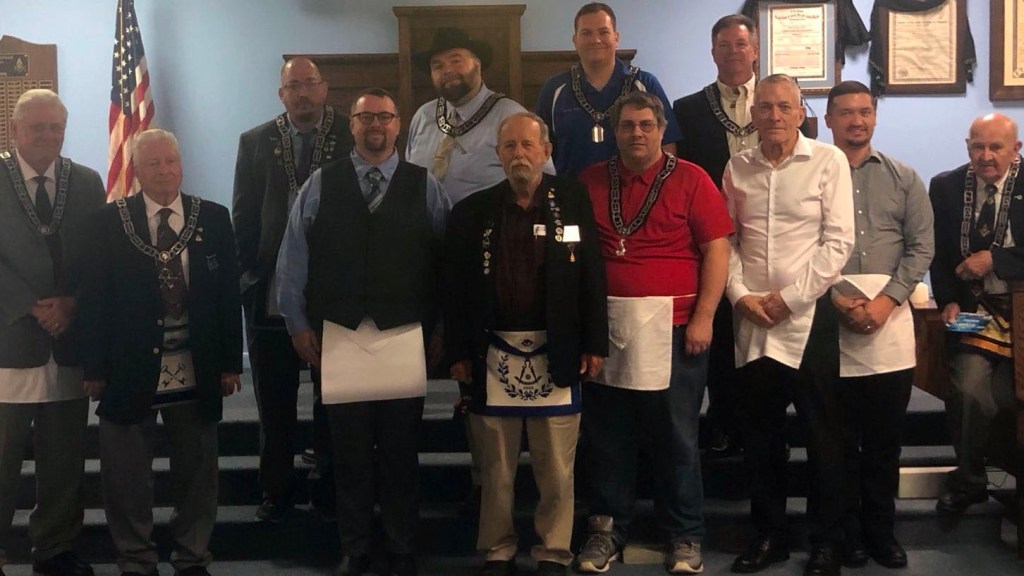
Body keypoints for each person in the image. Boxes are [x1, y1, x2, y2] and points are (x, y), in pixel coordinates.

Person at [276, 87, 449, 576]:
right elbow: (293, 261)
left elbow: (445, 264)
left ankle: (401, 545)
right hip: (341, 335)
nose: (376, 125)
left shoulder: (427, 186)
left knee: (400, 452)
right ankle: (353, 547)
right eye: (366, 117)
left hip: (402, 334)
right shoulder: (318, 184)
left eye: (386, 117)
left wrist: (441, 326)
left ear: (399, 125)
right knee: (348, 453)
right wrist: (297, 323)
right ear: (351, 125)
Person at [444, 112, 607, 576]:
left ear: (546, 151)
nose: (519, 154)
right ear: (498, 155)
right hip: (491, 354)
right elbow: (453, 290)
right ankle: (497, 546)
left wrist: (594, 342)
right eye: (510, 146)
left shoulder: (572, 199)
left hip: (557, 350)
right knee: (496, 468)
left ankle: (554, 548)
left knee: (556, 467)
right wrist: (457, 353)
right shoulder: (471, 212)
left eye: (528, 146)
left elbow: (592, 275)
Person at [576, 91, 733, 574]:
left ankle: (684, 536)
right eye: (627, 125)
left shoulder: (692, 179)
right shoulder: (590, 180)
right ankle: (605, 531)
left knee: (677, 438)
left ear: (662, 129)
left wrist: (706, 315)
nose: (637, 133)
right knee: (607, 438)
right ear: (614, 132)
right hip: (607, 331)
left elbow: (718, 250)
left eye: (646, 124)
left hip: (677, 329)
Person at [80, 129, 243, 576]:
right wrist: (92, 367)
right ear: (135, 169)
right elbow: (93, 299)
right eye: (153, 163)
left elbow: (229, 294)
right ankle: (136, 557)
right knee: (127, 474)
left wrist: (231, 361)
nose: (164, 170)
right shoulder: (107, 222)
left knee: (197, 469)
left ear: (181, 164)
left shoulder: (213, 217)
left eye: (171, 161)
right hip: (128, 366)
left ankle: (192, 555)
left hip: (198, 361)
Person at [723, 74, 854, 576]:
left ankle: (826, 542)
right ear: (752, 114)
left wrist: (791, 299)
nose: (774, 116)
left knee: (824, 437)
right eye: (765, 108)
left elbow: (837, 242)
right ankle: (769, 537)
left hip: (809, 318)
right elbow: (727, 240)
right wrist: (740, 296)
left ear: (801, 112)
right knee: (760, 439)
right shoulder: (736, 166)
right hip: (753, 319)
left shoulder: (827, 161)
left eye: (784, 107)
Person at [232, 56, 352, 523]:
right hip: (269, 294)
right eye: (293, 86)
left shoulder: (348, 136)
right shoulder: (256, 141)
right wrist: (249, 277)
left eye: (310, 84)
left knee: (332, 400)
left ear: (325, 89)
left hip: (331, 294)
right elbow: (243, 216)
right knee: (275, 401)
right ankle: (275, 490)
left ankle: (328, 489)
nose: (302, 93)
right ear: (281, 94)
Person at [824, 80, 934, 569]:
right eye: (845, 113)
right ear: (828, 120)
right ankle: (844, 533)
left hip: (890, 320)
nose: (857, 121)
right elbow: (800, 245)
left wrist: (888, 301)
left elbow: (921, 248)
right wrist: (836, 298)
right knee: (840, 442)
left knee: (885, 441)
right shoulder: (815, 175)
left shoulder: (905, 177)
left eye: (865, 112)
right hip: (829, 316)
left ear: (875, 117)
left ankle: (881, 531)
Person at [0, 89, 104, 576]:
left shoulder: (86, 182)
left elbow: (98, 257)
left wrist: (72, 302)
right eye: (37, 127)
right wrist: (28, 304)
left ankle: (55, 548)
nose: (47, 136)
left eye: (55, 128)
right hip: (8, 338)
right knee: (2, 457)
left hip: (68, 339)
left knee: (63, 458)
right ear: (15, 130)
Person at [671, 13, 760, 455]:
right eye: (724, 45)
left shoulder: (780, 104)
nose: (733, 52)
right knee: (721, 335)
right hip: (713, 241)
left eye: (741, 44)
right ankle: (723, 422)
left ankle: (766, 428)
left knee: (764, 338)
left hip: (769, 240)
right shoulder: (688, 109)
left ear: (755, 49)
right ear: (712, 53)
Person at [930, 113, 1024, 515]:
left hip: (1021, 314)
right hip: (973, 314)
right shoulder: (946, 186)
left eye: (996, 147)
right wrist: (947, 298)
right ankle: (970, 479)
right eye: (977, 146)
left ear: (1015, 150)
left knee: (1007, 398)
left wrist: (997, 260)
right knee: (971, 393)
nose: (986, 157)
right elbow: (937, 253)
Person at [535, 2, 680, 179]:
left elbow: (667, 145)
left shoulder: (645, 84)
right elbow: (539, 150)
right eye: (586, 33)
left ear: (616, 38)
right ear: (575, 40)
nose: (595, 40)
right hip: (570, 199)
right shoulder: (553, 90)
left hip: (635, 197)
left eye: (603, 32)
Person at [407, 27, 550, 206]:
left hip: (487, 230)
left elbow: (544, 182)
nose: (447, 70)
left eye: (456, 61)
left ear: (477, 64)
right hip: (424, 231)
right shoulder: (422, 117)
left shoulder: (512, 118)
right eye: (438, 66)